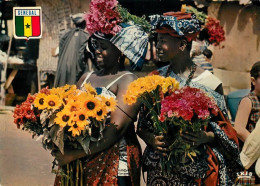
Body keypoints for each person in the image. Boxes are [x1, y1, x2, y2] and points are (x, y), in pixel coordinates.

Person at [137, 12, 241, 185]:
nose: (158, 46)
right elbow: (142, 126)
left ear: (182, 44)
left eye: (163, 41)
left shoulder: (210, 83)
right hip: (160, 171)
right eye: (158, 41)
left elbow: (226, 132)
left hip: (196, 172)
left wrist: (204, 137)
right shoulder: (155, 79)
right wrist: (152, 139)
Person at [52, 1, 149, 185]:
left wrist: (73, 155)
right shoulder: (86, 77)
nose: (97, 50)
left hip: (113, 159)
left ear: (119, 51)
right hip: (81, 158)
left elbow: (116, 129)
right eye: (96, 45)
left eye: (104, 47)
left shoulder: (128, 80)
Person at [54, 13, 97, 88]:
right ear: (84, 23)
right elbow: (83, 56)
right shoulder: (85, 36)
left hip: (63, 69)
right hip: (76, 70)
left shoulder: (66, 35)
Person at [234, 61, 260, 183]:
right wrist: (256, 146)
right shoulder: (248, 101)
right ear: (253, 81)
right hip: (249, 158)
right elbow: (239, 129)